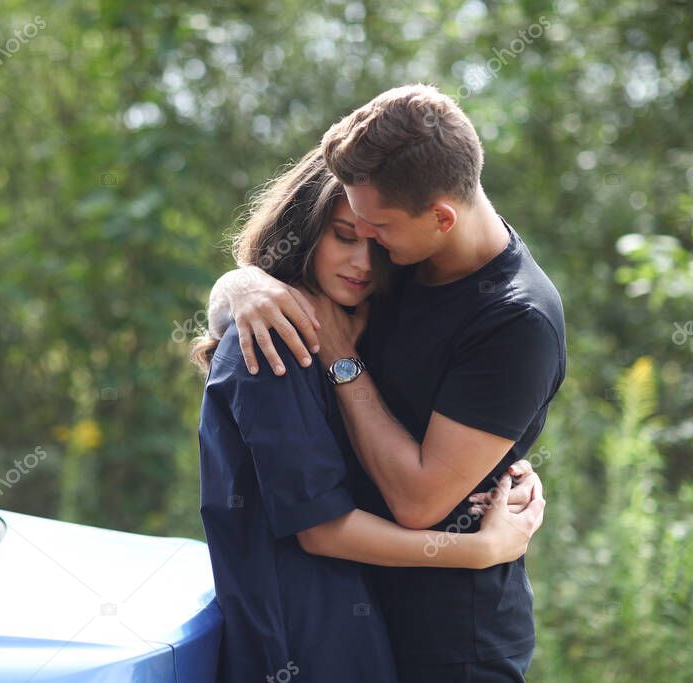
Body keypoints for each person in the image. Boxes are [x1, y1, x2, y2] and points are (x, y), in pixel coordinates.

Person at [207, 84, 567, 682]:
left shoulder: (514, 321)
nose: (367, 254)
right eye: (350, 232)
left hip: (449, 640)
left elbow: (419, 501)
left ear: (441, 218)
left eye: (377, 231)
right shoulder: (404, 262)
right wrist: (240, 286)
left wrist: (345, 363)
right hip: (349, 626)